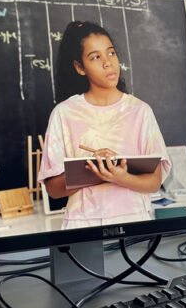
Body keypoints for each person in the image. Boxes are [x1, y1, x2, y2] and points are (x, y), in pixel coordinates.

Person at [39, 21, 171, 229]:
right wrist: (94, 172)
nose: (108, 63)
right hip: (82, 225)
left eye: (111, 53)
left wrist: (121, 177)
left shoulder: (140, 111)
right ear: (80, 67)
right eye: (95, 57)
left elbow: (154, 182)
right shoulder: (64, 113)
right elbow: (53, 189)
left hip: (134, 221)